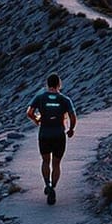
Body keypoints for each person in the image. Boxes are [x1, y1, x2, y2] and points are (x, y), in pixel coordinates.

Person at [26, 74, 77, 203]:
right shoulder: (65, 99)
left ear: (47, 84)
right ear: (59, 84)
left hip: (44, 134)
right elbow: (72, 116)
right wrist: (71, 129)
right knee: (56, 163)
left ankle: (47, 185)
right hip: (59, 135)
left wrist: (37, 120)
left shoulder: (40, 98)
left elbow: (29, 113)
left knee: (45, 161)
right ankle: (53, 187)